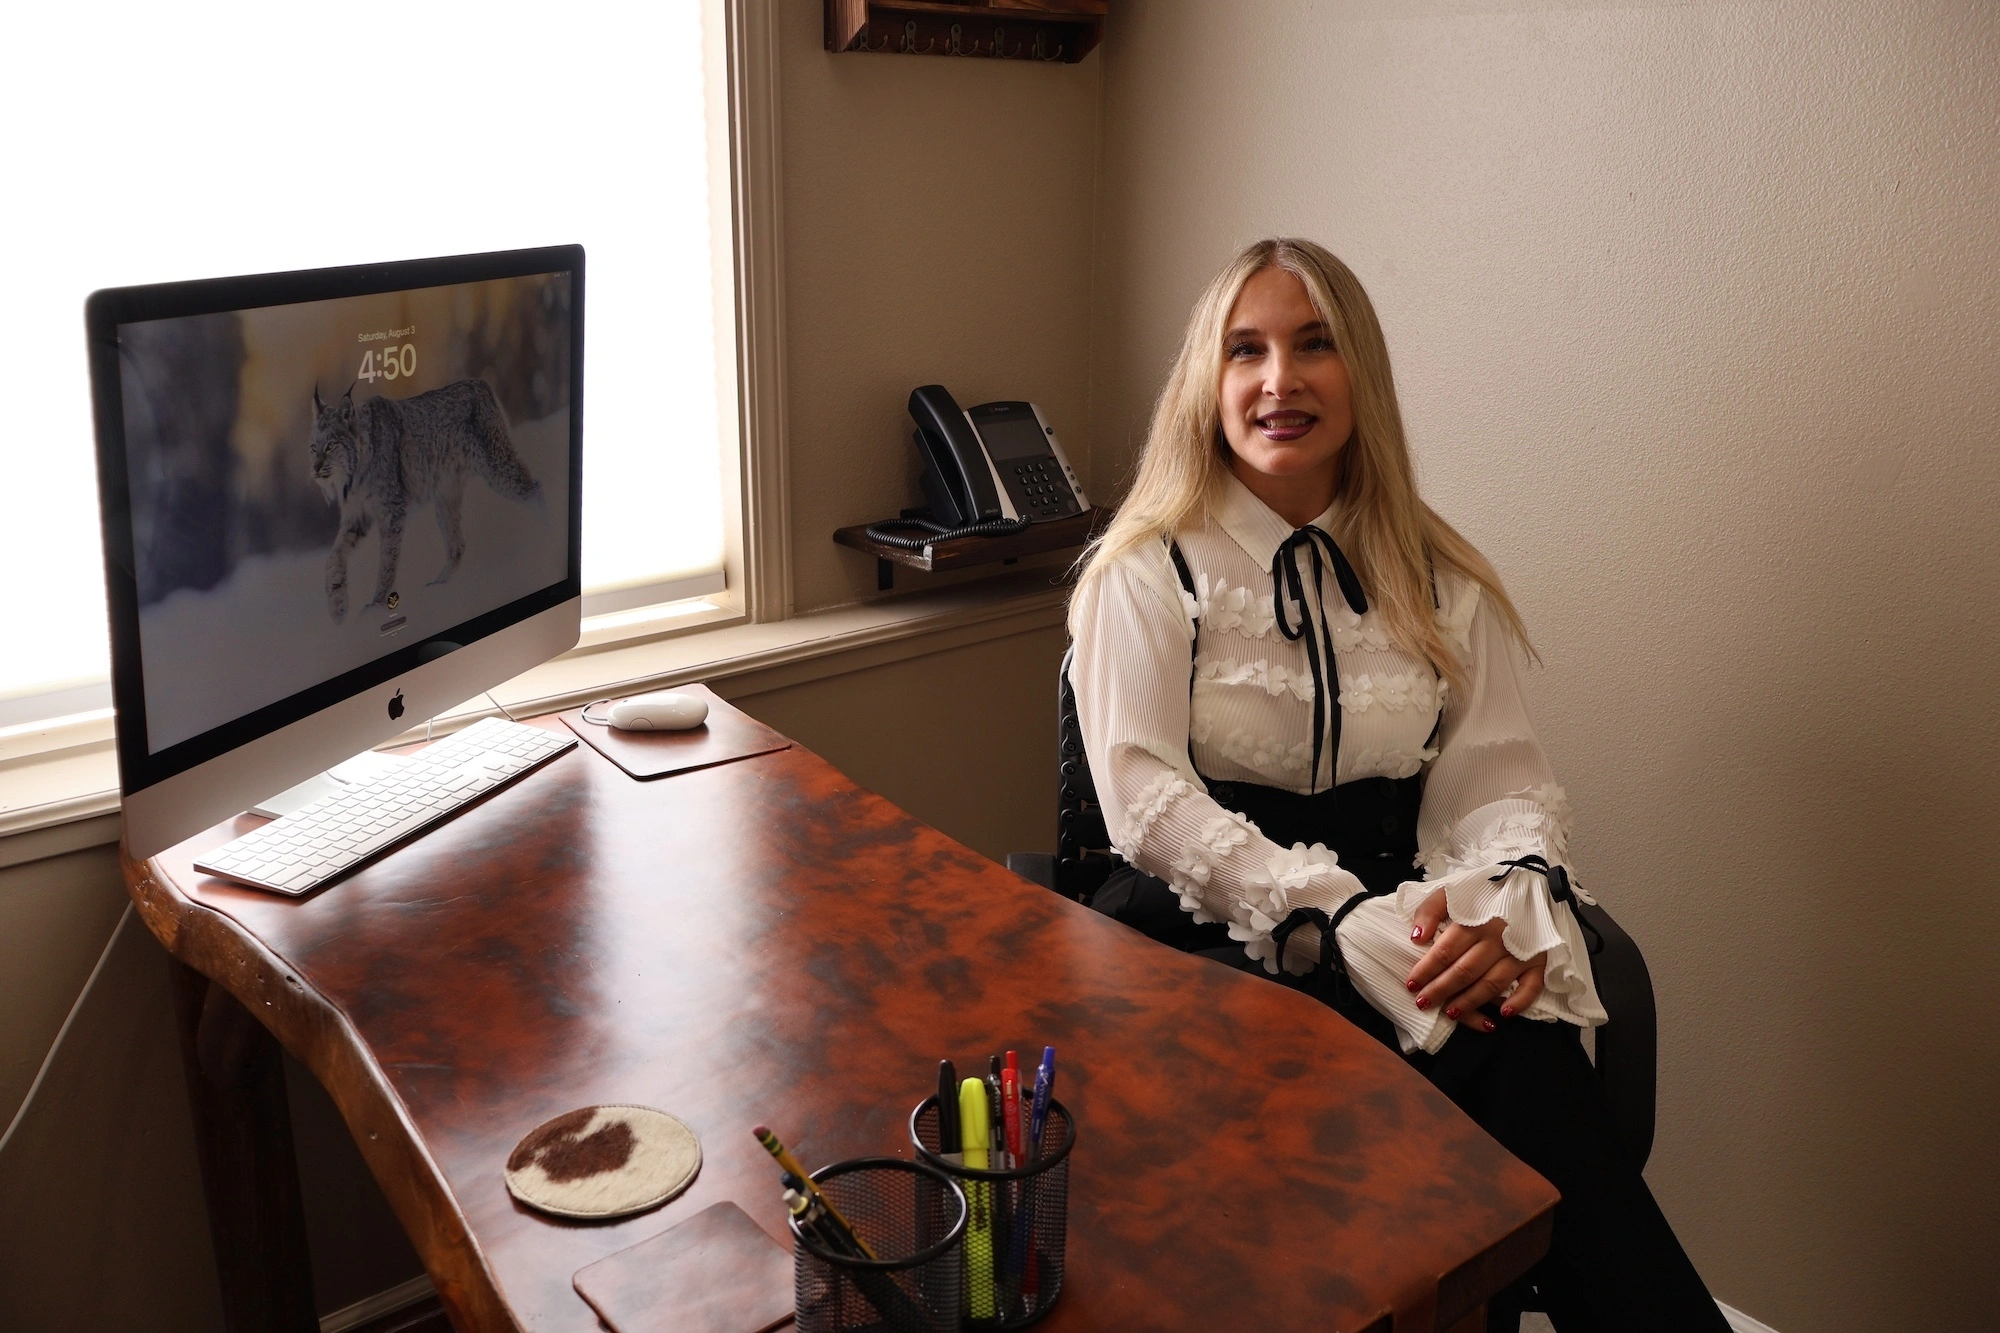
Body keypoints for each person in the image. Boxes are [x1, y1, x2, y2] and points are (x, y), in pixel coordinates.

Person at [1066, 237, 1726, 1332]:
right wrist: (1324, 913)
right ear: (1207, 382)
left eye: (1313, 344)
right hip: (1203, 928)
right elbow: (1144, 803)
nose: (1279, 379)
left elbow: (1497, 778)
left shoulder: (1438, 575)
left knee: (1512, 1025)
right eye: (1246, 350)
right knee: (1504, 1062)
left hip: (1401, 900)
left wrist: (1508, 900)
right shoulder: (1144, 569)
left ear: (1358, 373)